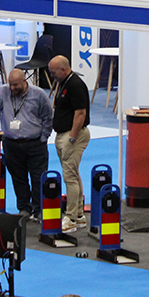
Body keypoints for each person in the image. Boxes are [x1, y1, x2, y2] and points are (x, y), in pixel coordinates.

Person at [0, 68, 53, 220]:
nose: (12, 88)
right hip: (11, 144)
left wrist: (43, 138)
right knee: (18, 179)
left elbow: (48, 117)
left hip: (35, 144)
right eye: (10, 84)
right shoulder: (3, 92)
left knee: (38, 178)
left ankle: (38, 209)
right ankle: (24, 208)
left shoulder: (39, 94)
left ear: (24, 82)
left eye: (15, 85)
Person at [48, 55, 90, 233]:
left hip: (73, 136)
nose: (52, 76)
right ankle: (79, 214)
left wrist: (72, 137)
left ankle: (71, 217)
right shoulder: (63, 83)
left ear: (63, 69)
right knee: (73, 173)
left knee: (69, 177)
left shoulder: (75, 85)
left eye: (53, 72)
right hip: (63, 134)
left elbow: (80, 113)